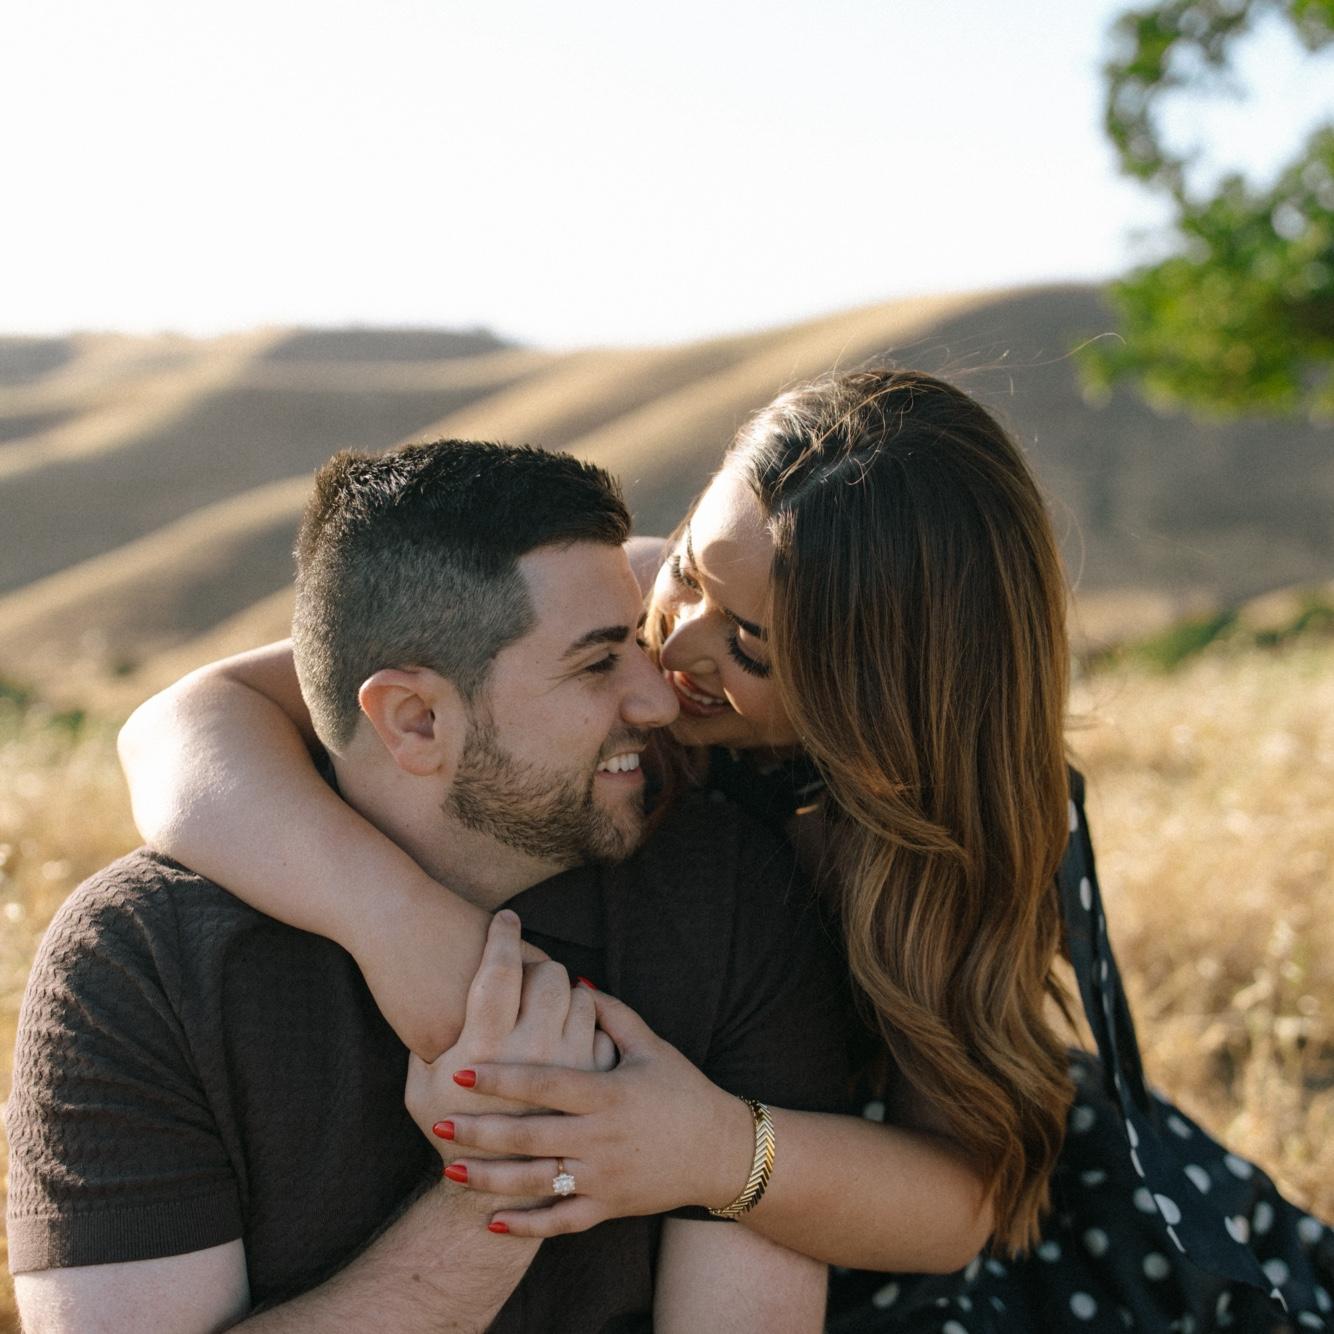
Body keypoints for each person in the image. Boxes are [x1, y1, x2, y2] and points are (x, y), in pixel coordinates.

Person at [115, 372, 1333, 1330]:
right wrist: (398, 923)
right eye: (689, 565)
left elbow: (960, 1201)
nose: (675, 649)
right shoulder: (625, 611)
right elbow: (178, 725)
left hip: (888, 1231)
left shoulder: (948, 829)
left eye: (748, 645)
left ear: (876, 695)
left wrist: (709, 1149)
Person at [6, 439, 866, 1333]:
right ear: (416, 720)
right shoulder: (144, 965)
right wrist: (498, 1191)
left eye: (636, 642)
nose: (661, 699)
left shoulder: (726, 898)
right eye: (597, 662)